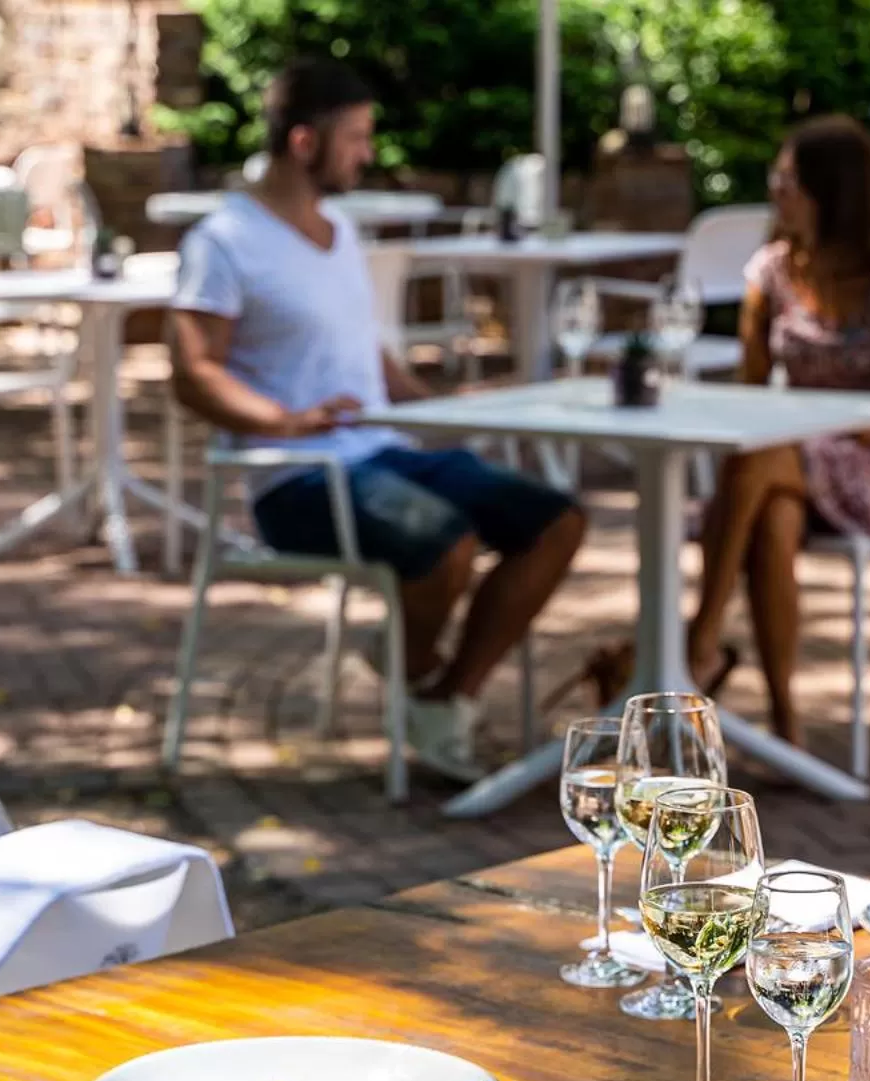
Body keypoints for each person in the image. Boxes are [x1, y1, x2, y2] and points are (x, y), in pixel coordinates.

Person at [168, 59, 586, 782]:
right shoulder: (224, 241)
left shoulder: (340, 233)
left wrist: (436, 402)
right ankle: (418, 670)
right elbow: (194, 369)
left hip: (383, 450)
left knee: (557, 521)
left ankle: (441, 694)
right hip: (295, 478)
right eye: (356, 137)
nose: (367, 153)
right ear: (304, 142)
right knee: (446, 544)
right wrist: (285, 420)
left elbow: (366, 351)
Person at [684, 114, 870, 747]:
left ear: (834, 190)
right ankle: (785, 725)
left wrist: (816, 436)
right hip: (784, 464)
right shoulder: (768, 272)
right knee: (770, 517)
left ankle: (697, 648)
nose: (775, 190)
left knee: (759, 461)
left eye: (789, 180)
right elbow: (751, 389)